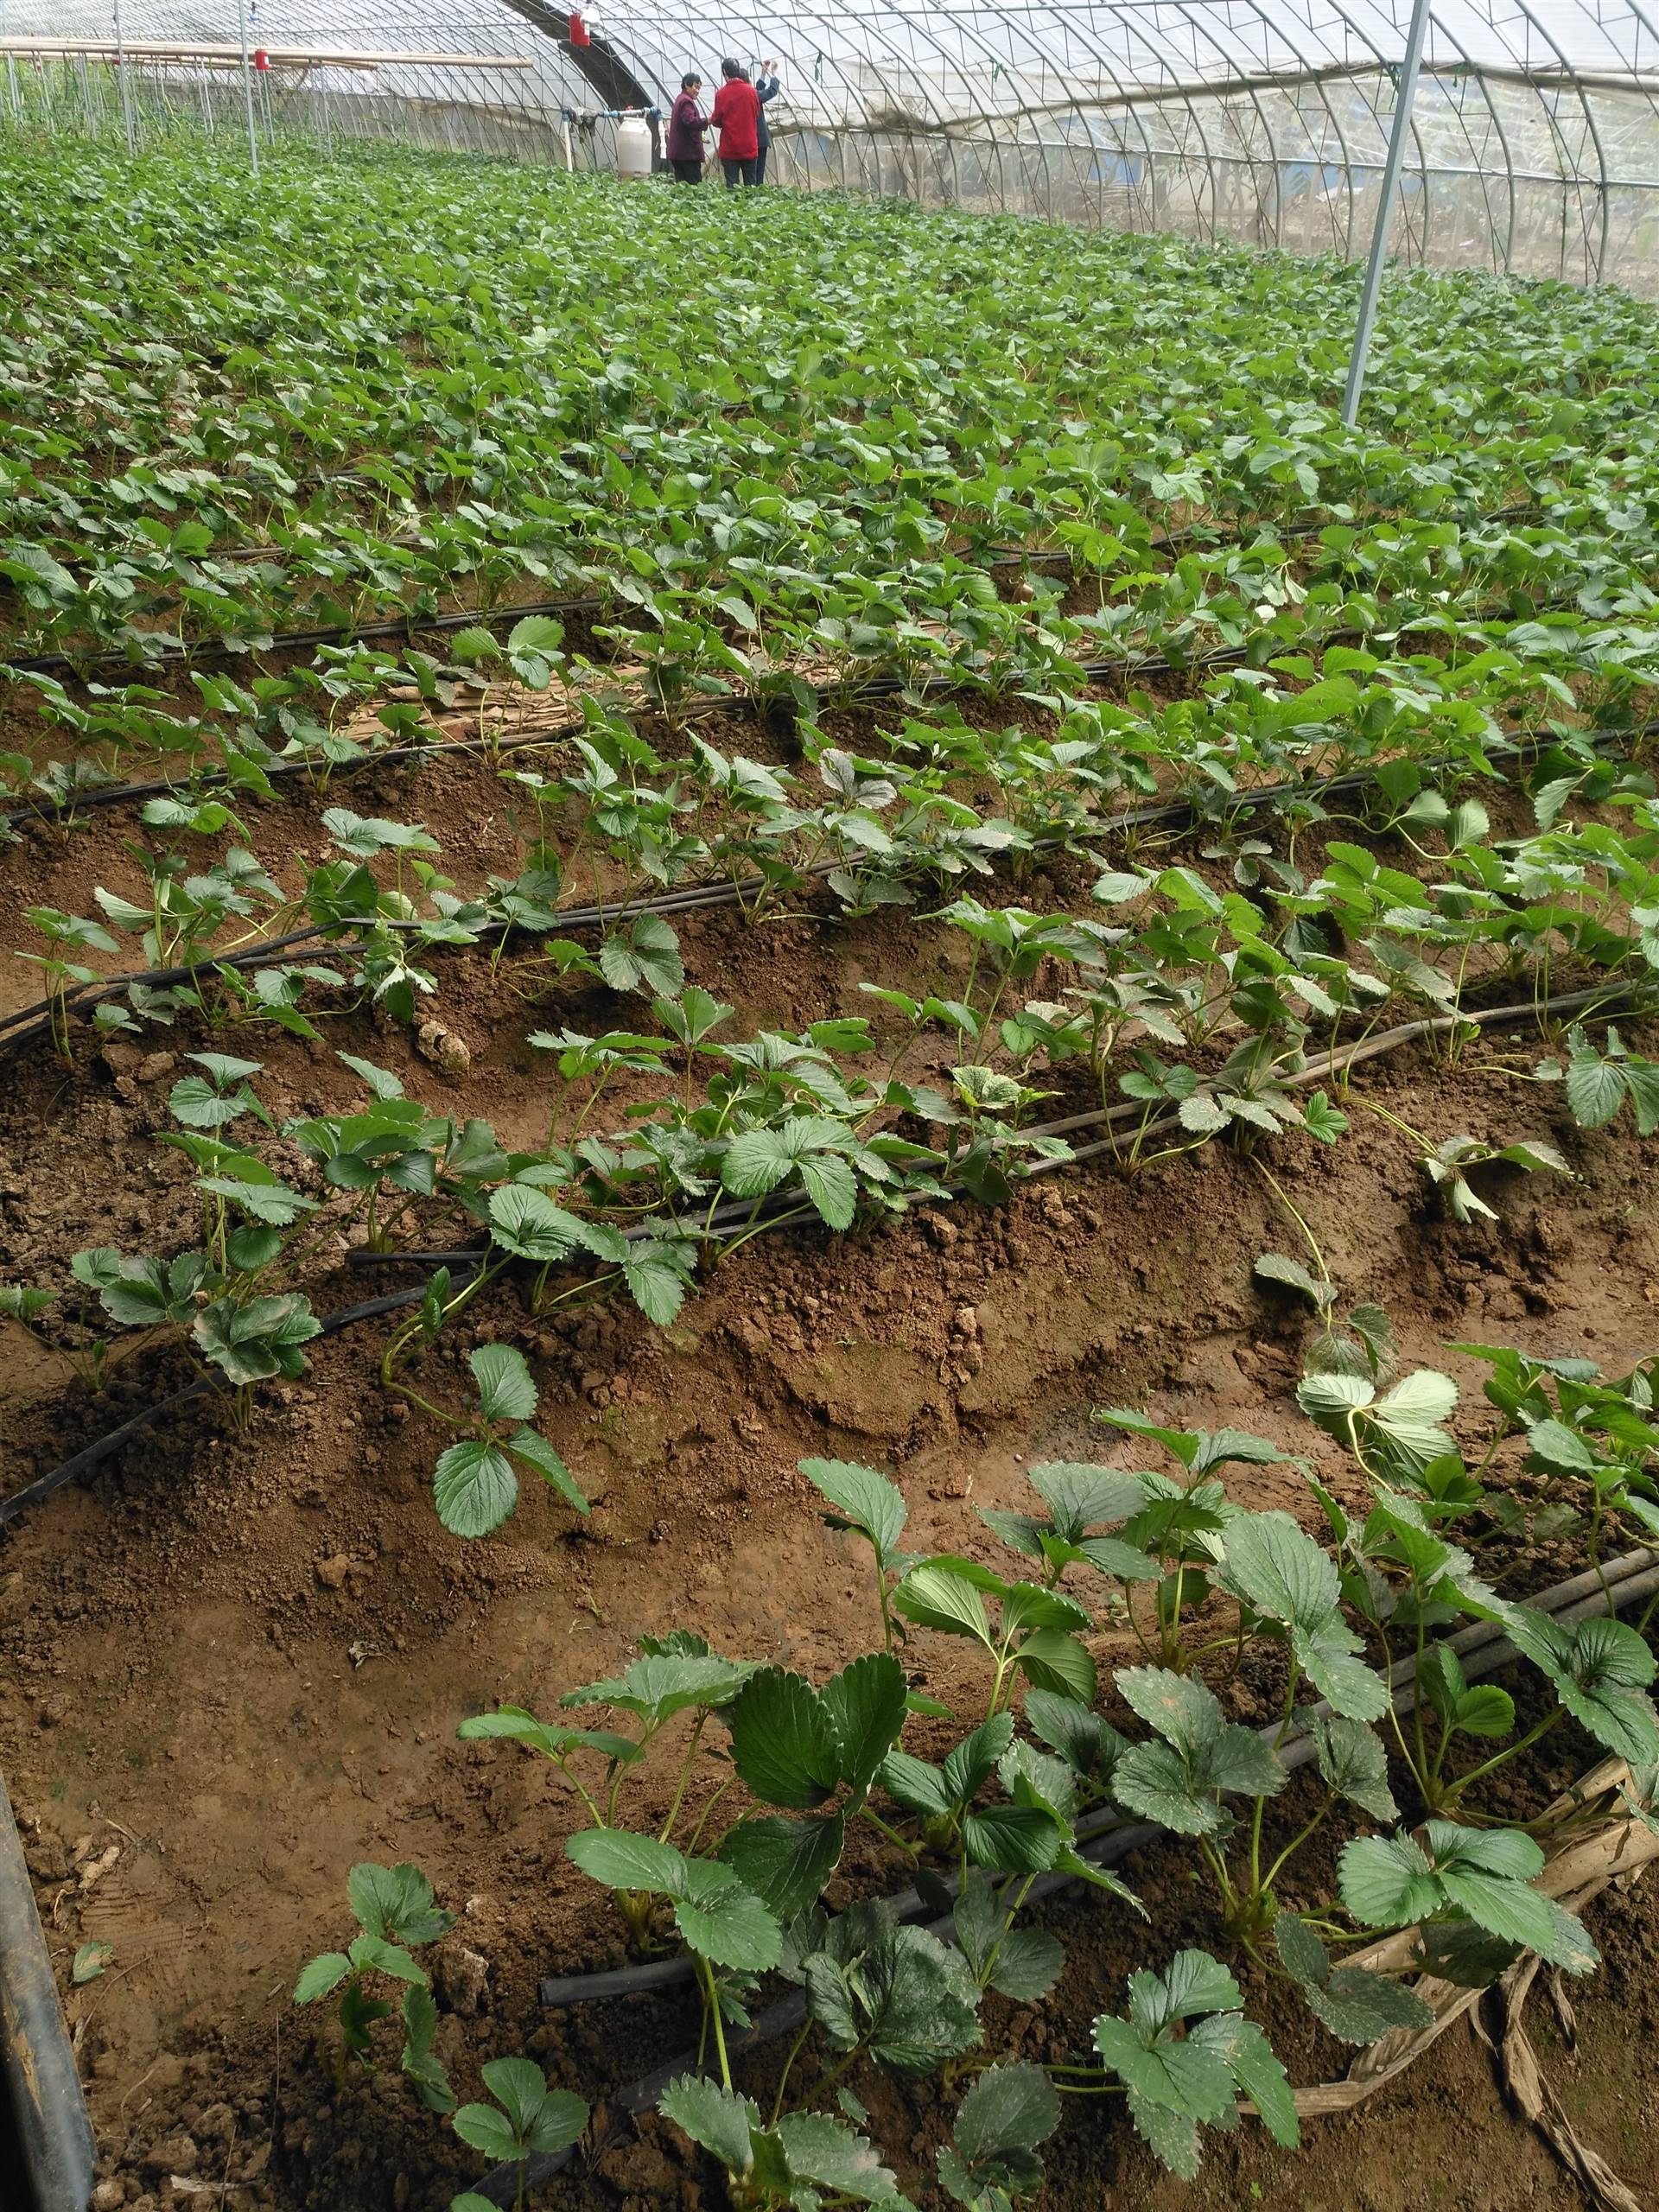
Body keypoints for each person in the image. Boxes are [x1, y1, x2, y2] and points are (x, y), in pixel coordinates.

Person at [709, 58, 760, 189]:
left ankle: (734, 209)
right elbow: (756, 114)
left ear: (725, 72)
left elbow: (716, 120)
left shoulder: (721, 94)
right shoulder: (752, 92)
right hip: (749, 146)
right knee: (751, 187)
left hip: (730, 148)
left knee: (732, 188)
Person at [665, 72, 708, 182]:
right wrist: (707, 121)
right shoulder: (686, 101)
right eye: (695, 87)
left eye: (699, 88)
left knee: (682, 187)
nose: (697, 91)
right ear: (686, 85)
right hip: (687, 154)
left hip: (679, 153)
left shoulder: (680, 99)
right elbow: (690, 121)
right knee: (694, 187)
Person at [753, 59, 781, 187]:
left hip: (754, 141)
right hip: (758, 141)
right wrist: (774, 74)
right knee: (757, 174)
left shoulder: (749, 95)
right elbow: (771, 92)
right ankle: (755, 195)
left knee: (753, 173)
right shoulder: (752, 96)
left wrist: (764, 73)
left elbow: (758, 91)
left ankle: (752, 195)